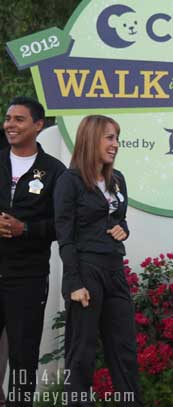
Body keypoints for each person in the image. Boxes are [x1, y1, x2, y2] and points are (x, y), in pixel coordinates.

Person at [54, 115, 143, 406]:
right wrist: (74, 283)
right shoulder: (70, 181)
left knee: (125, 351)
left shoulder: (118, 180)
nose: (116, 144)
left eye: (117, 138)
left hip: (115, 270)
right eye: (109, 137)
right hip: (86, 272)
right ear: (91, 138)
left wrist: (124, 230)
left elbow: (120, 220)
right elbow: (65, 236)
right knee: (81, 352)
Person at [1, 96, 66, 405]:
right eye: (8, 118)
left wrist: (24, 229)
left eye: (19, 119)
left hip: (27, 277)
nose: (10, 125)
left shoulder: (54, 171)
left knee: (23, 355)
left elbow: (64, 224)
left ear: (38, 126)